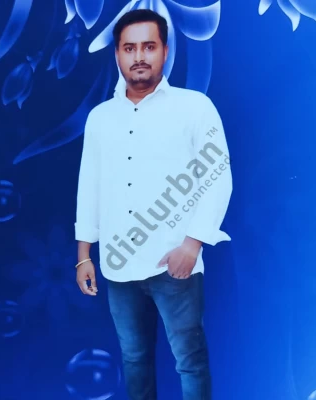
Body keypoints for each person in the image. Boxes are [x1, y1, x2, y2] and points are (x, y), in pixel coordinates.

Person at [75, 9, 232, 400]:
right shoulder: (100, 118)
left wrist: (192, 245)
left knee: (190, 361)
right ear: (117, 54)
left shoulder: (195, 107)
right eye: (129, 48)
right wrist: (84, 255)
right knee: (134, 359)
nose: (139, 56)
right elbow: (89, 186)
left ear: (165, 50)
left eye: (149, 46)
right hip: (119, 264)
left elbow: (218, 178)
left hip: (174, 263)